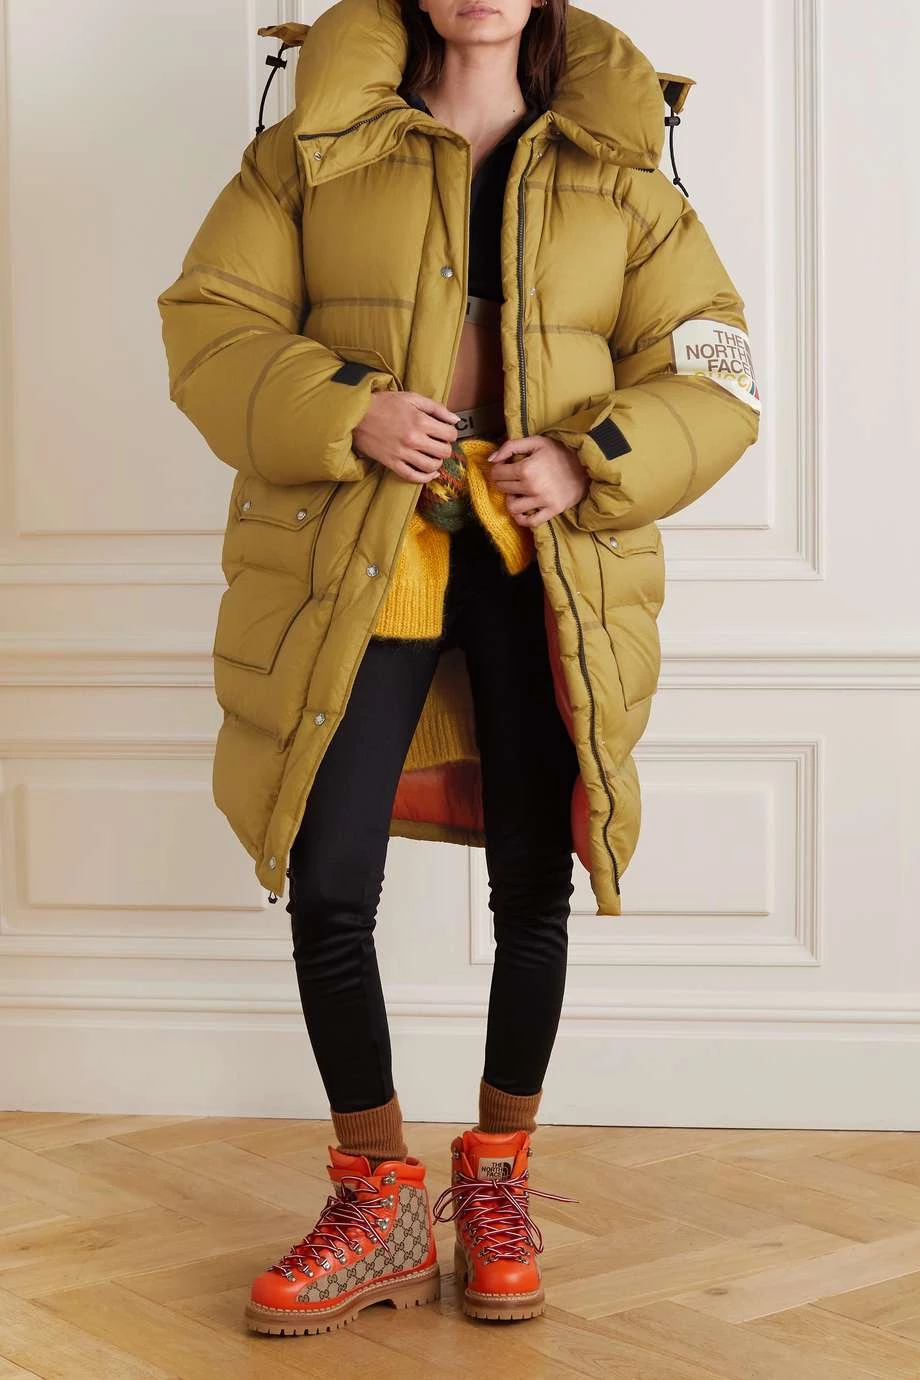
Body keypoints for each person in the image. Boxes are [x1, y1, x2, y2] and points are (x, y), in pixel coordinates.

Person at [157, 0, 760, 1337]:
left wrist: (595, 459)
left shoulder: (626, 159)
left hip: (541, 561)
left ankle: (497, 1183)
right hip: (361, 549)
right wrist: (346, 411)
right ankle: (376, 1199)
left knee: (534, 881)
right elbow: (209, 323)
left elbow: (716, 369)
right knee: (329, 877)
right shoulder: (311, 144)